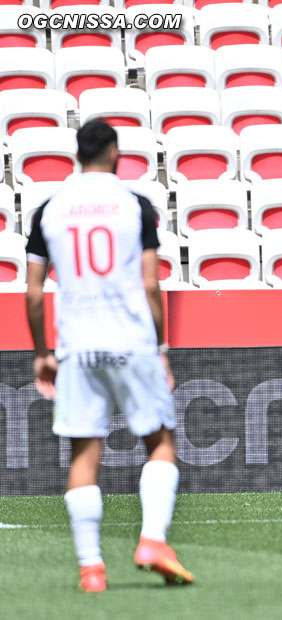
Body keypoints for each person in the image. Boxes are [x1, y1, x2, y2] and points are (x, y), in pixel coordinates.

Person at [24, 120, 193, 592]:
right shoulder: (135, 205)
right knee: (159, 440)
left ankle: (91, 568)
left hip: (77, 346)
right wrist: (161, 347)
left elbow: (35, 294)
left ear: (77, 154)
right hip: (132, 341)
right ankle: (153, 541)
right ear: (115, 152)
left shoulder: (48, 209)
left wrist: (42, 352)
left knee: (84, 454)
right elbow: (149, 283)